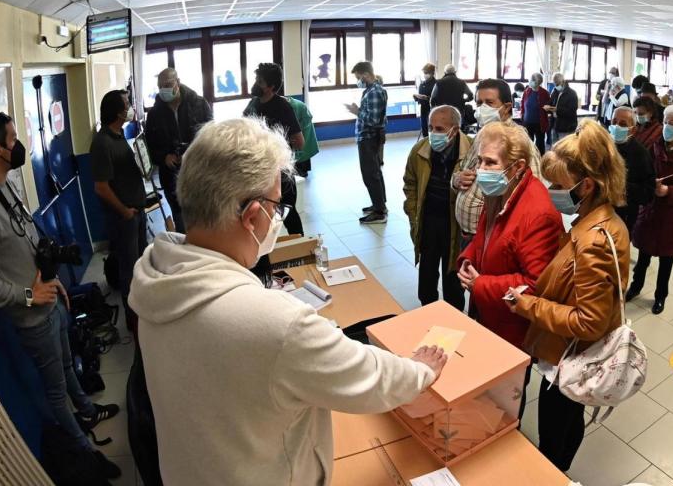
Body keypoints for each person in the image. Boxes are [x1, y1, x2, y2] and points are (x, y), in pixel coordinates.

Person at [130, 118, 447, 485]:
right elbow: (371, 380)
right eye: (276, 207)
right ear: (252, 216)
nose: (277, 220)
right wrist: (421, 369)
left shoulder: (156, 277)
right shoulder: (276, 323)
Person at [0, 114, 121, 478]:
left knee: (69, 367)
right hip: (32, 318)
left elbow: (30, 243)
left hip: (51, 302)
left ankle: (86, 409)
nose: (18, 145)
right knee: (55, 391)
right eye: (12, 139)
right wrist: (29, 295)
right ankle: (85, 453)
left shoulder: (4, 186)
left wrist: (55, 282)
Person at [506, 119, 629, 471]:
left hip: (568, 357)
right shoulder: (593, 223)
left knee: (556, 430)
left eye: (557, 185)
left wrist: (527, 304)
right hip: (567, 353)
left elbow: (588, 321)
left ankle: (553, 474)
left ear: (586, 185)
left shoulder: (593, 241)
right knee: (565, 421)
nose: (550, 191)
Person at [456, 121, 562, 349]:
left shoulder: (538, 214)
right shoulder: (500, 190)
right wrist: (468, 258)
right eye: (480, 161)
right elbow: (485, 235)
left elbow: (536, 284)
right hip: (490, 311)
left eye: (490, 162)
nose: (480, 170)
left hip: (513, 326)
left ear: (517, 167)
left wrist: (481, 284)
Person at [627, 105, 673, 314]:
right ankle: (636, 285)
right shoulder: (653, 148)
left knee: (666, 261)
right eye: (665, 122)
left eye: (672, 124)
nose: (667, 127)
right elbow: (643, 175)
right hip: (650, 211)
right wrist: (650, 184)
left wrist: (669, 191)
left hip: (672, 217)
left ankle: (660, 296)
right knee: (643, 255)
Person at [451, 79, 541, 248]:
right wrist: (456, 180)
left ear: (506, 107)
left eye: (489, 103)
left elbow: (534, 193)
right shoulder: (483, 135)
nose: (482, 109)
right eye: (479, 103)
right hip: (471, 237)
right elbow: (463, 169)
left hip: (495, 241)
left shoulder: (520, 142)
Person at [403, 105, 472, 311]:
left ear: (455, 128)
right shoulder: (420, 150)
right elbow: (410, 183)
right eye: (430, 127)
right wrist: (414, 212)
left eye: (440, 129)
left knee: (453, 278)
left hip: (456, 223)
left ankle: (454, 316)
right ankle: (428, 310)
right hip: (428, 219)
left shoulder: (472, 151)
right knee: (427, 274)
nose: (433, 134)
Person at [91, 90, 147, 332]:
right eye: (127, 104)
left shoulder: (119, 135)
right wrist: (124, 211)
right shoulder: (102, 142)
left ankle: (144, 311)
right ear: (117, 111)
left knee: (141, 264)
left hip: (137, 211)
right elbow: (101, 187)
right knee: (129, 270)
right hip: (124, 218)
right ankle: (132, 321)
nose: (130, 107)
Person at [145, 67, 213, 233]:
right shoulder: (155, 114)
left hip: (199, 173)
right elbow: (150, 146)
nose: (164, 89)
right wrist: (163, 157)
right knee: (180, 221)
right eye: (160, 86)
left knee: (203, 219)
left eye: (168, 84)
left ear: (178, 83)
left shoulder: (199, 104)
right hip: (170, 176)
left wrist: (191, 153)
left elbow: (212, 137)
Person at [245, 62, 306, 235]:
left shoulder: (282, 107)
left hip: (280, 171)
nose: (256, 83)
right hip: (258, 169)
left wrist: (279, 147)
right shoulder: (253, 105)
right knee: (259, 214)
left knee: (287, 211)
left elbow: (299, 141)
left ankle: (300, 246)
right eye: (256, 79)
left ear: (271, 87)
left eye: (260, 81)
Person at [347, 61, 389, 224]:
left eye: (358, 77)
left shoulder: (374, 92)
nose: (358, 80)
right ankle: (379, 204)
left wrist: (357, 112)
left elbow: (373, 120)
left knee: (370, 174)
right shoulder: (373, 90)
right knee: (375, 172)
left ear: (365, 74)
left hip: (368, 137)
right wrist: (359, 110)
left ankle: (379, 212)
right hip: (370, 137)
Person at [610, 106, 655, 233]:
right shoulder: (603, 146)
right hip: (598, 211)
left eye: (623, 124)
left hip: (624, 217)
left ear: (633, 130)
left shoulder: (641, 154)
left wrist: (623, 187)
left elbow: (648, 193)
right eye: (614, 122)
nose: (617, 126)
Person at [429, 64, 474, 132]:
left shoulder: (438, 83)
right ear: (455, 72)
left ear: (445, 72)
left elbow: (432, 99)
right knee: (458, 129)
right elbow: (470, 95)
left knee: (443, 129)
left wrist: (434, 109)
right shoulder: (462, 82)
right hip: (458, 111)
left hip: (443, 111)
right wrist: (464, 100)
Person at [288, 95, 318, 178]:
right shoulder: (292, 104)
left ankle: (301, 171)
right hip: (301, 125)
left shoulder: (297, 106)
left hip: (304, 127)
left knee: (302, 148)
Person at [522, 72, 551, 156]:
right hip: (527, 122)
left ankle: (540, 160)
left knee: (540, 144)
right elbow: (523, 104)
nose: (529, 82)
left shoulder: (544, 93)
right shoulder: (527, 91)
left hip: (540, 123)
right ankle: (530, 160)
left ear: (537, 82)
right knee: (528, 144)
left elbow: (549, 106)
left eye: (531, 80)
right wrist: (522, 115)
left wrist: (548, 109)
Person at [545, 72, 578, 142]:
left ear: (563, 82)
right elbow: (551, 103)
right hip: (555, 125)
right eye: (554, 84)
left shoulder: (572, 93)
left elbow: (571, 111)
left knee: (565, 149)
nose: (556, 86)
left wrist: (557, 110)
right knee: (555, 148)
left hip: (566, 127)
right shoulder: (555, 91)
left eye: (557, 84)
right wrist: (548, 107)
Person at [415, 63, 437, 137]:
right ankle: (425, 141)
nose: (425, 75)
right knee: (424, 126)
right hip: (423, 108)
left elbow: (437, 98)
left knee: (433, 127)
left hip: (433, 109)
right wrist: (416, 97)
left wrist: (427, 98)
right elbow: (420, 96)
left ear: (432, 73)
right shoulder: (422, 84)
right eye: (424, 73)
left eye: (427, 73)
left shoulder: (436, 84)